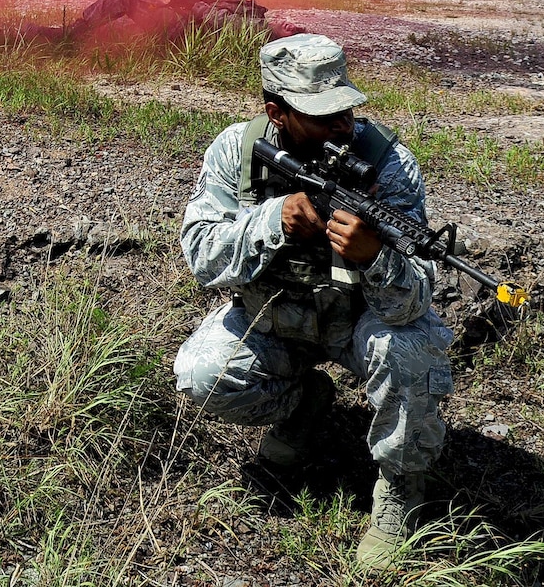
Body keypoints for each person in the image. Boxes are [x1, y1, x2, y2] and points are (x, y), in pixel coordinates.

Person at [173, 34, 453, 570]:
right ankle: (304, 408)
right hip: (276, 316)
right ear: (276, 112)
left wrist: (376, 258)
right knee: (203, 375)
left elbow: (415, 296)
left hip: (359, 324)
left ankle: (400, 487)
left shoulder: (388, 165)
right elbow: (201, 256)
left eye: (346, 109)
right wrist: (268, 222)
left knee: (412, 348)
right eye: (323, 115)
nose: (343, 126)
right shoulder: (236, 151)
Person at [64, 0, 290, 40]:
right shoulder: (260, 23)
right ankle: (67, 39)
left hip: (183, 31)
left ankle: (73, 36)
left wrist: (197, 6)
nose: (292, 24)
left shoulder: (262, 31)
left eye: (296, 31)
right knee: (118, 31)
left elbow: (224, 22)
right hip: (182, 27)